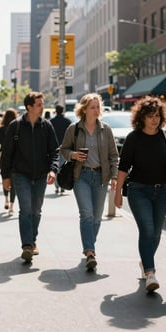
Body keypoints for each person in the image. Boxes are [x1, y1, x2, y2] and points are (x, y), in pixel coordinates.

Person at [60, 93, 118, 271]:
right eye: (93, 107)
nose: (96, 110)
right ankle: (90, 252)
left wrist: (114, 176)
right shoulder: (74, 128)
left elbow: (114, 156)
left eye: (98, 106)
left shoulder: (106, 129)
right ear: (84, 109)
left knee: (97, 217)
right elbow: (63, 149)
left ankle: (89, 245)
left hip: (101, 177)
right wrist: (73, 155)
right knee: (87, 214)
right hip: (81, 176)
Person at [114, 96, 166, 293]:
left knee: (155, 234)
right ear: (142, 117)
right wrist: (117, 193)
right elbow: (123, 167)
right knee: (147, 230)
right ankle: (150, 272)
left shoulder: (164, 136)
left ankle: (145, 261)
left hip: (162, 191)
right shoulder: (133, 138)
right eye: (151, 116)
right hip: (139, 190)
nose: (155, 120)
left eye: (157, 116)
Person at [0, 92, 59, 262]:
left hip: (41, 175)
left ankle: (32, 240)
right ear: (29, 107)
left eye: (42, 104)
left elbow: (54, 151)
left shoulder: (46, 126)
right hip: (21, 174)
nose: (42, 107)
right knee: (25, 210)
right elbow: (7, 154)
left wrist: (53, 170)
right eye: (39, 105)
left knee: (36, 211)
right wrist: (5, 176)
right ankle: (27, 245)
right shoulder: (15, 126)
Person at [0, 108, 17, 215]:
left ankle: (6, 200)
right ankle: (12, 207)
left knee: (5, 177)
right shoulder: (17, 128)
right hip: (15, 157)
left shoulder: (1, 128)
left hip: (4, 155)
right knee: (14, 182)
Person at [50, 105, 72, 194]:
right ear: (63, 111)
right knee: (63, 167)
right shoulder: (68, 122)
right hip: (65, 147)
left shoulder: (51, 122)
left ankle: (57, 186)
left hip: (55, 148)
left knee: (56, 167)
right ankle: (62, 185)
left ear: (56, 111)